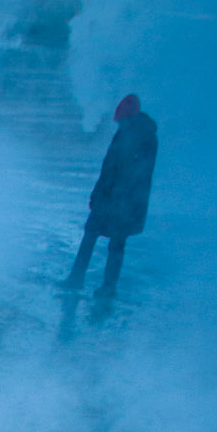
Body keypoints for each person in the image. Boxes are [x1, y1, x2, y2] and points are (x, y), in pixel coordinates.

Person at [64, 94, 159, 299]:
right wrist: (98, 194)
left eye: (122, 121)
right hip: (110, 200)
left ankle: (107, 287)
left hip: (125, 203)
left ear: (130, 119)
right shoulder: (127, 134)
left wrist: (116, 197)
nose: (119, 125)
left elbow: (133, 175)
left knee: (115, 244)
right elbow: (108, 169)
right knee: (93, 235)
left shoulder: (144, 137)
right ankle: (79, 279)